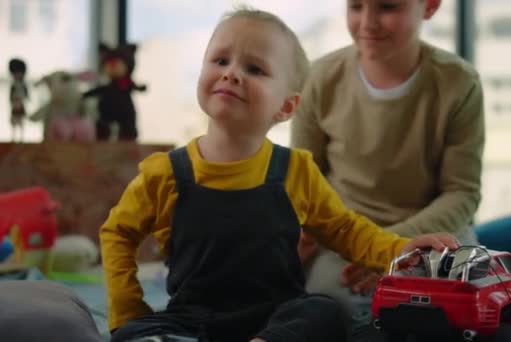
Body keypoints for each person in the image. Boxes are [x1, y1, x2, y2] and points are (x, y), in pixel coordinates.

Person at [100, 7, 459, 342]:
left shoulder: (296, 170)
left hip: (277, 318)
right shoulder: (165, 173)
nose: (231, 73)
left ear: (286, 107)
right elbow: (118, 232)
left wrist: (400, 250)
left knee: (324, 311)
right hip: (192, 319)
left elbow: (346, 231)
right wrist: (127, 308)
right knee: (136, 332)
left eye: (255, 69)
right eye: (220, 60)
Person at [290, 0, 485, 329]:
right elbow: (306, 185)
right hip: (344, 240)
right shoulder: (320, 78)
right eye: (355, 7)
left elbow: (461, 192)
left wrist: (392, 248)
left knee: (465, 309)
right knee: (332, 310)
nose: (367, 22)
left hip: (434, 237)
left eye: (387, 7)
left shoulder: (459, 83)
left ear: (430, 7)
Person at [8, 58, 29, 142]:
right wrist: (12, 101)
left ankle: (21, 137)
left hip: (20, 104)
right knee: (14, 121)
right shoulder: (13, 85)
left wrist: (22, 99)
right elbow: (11, 95)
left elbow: (26, 95)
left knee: (20, 121)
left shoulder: (23, 85)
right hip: (14, 105)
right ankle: (14, 137)